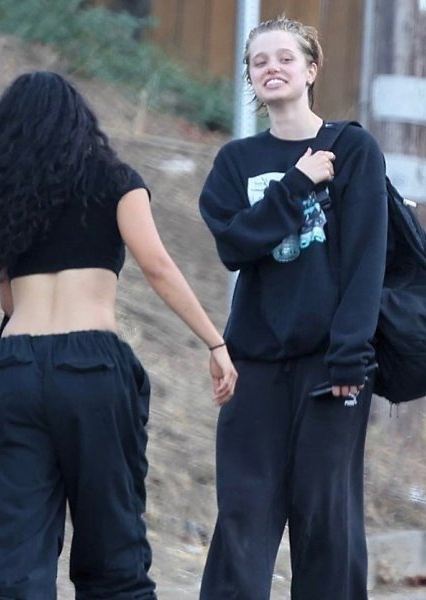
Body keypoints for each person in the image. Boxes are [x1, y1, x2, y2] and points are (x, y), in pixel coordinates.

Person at [0, 71, 237, 599]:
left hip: (14, 371)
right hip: (89, 368)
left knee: (14, 557)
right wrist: (214, 342)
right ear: (79, 122)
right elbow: (156, 265)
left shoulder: (5, 194)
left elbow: (9, 304)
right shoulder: (115, 179)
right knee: (112, 545)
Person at [198, 16, 387, 600]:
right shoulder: (235, 161)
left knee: (326, 520)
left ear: (311, 70)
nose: (272, 68)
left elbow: (366, 259)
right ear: (251, 78)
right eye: (259, 61)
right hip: (254, 363)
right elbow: (234, 246)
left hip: (330, 365)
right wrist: (298, 182)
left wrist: (350, 355)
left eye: (285, 57)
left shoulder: (352, 149)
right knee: (243, 515)